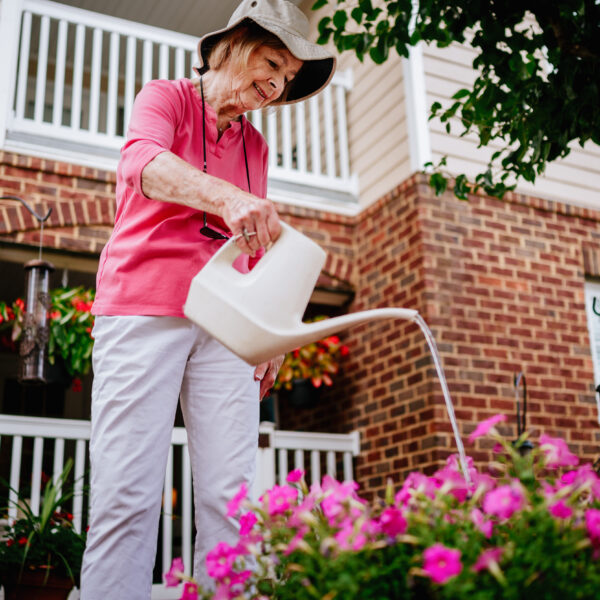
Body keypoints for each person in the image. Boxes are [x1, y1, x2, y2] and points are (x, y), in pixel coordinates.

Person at [79, 0, 335, 598]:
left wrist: (268, 330)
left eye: (288, 78)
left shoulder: (257, 148)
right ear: (232, 46)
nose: (275, 84)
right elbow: (143, 163)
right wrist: (227, 197)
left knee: (232, 496)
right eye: (272, 62)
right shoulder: (165, 96)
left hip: (226, 325)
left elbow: (252, 246)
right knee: (127, 492)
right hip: (143, 304)